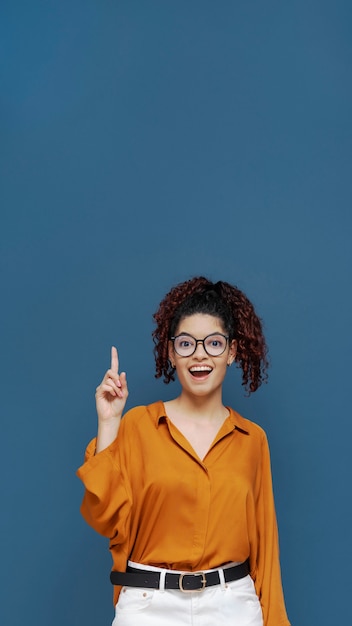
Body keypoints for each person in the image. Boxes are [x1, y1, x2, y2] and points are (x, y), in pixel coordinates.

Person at [77, 276, 291, 626]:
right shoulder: (136, 426)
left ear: (233, 352)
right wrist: (108, 422)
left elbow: (266, 548)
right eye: (187, 344)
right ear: (171, 353)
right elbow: (103, 517)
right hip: (149, 605)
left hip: (232, 606)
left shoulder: (252, 439)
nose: (200, 354)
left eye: (214, 343)